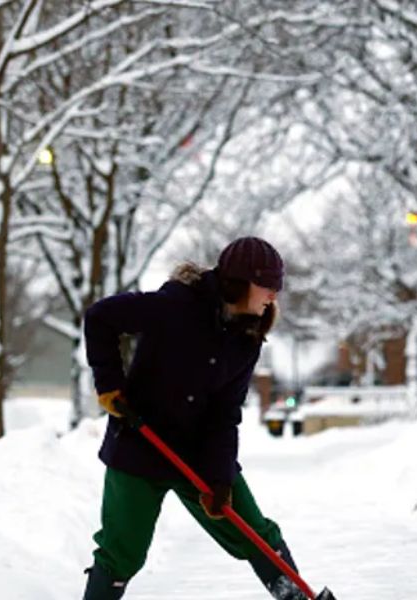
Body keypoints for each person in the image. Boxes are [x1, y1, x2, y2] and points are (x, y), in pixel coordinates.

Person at [80, 237, 304, 600]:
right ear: (241, 281)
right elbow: (100, 317)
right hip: (139, 444)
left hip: (196, 455)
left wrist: (220, 479)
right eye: (267, 285)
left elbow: (225, 414)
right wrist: (110, 385)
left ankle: (294, 595)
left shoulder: (247, 339)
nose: (273, 296)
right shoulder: (176, 305)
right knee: (122, 553)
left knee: (254, 534)